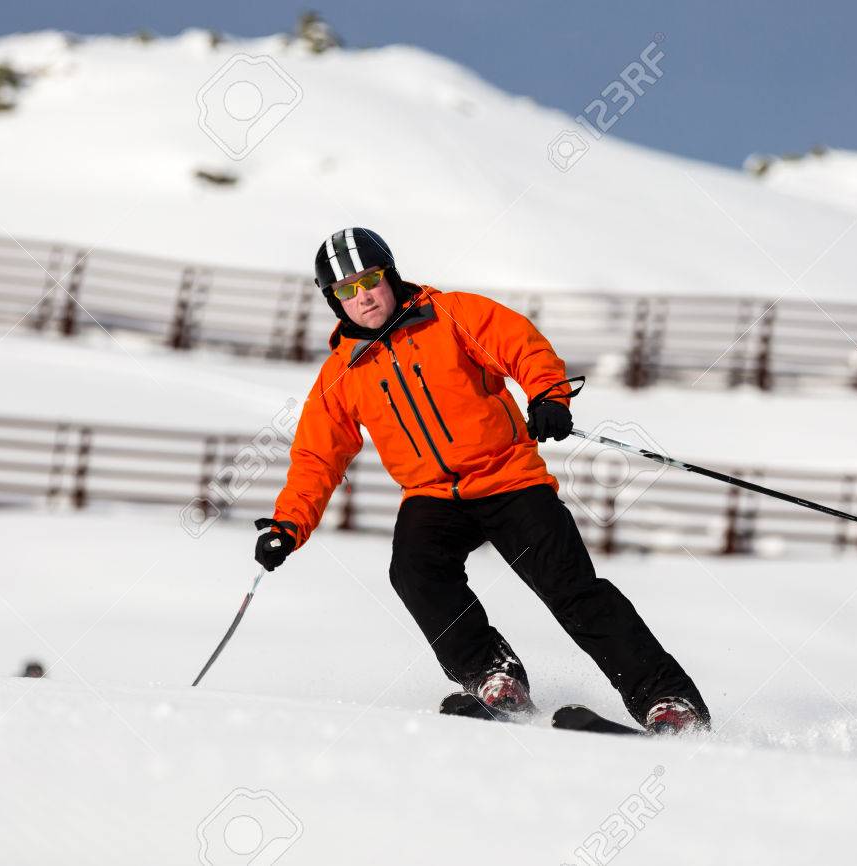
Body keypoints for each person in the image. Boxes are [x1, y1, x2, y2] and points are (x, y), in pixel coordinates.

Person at [254, 228, 709, 733]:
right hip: (432, 495)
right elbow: (318, 456)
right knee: (415, 570)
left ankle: (667, 701)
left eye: (370, 280)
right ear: (332, 300)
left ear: (391, 274)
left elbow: (523, 346)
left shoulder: (451, 315)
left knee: (572, 590)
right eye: (346, 290)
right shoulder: (341, 373)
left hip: (508, 478)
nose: (362, 297)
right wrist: (288, 525)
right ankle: (494, 676)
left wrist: (549, 396)